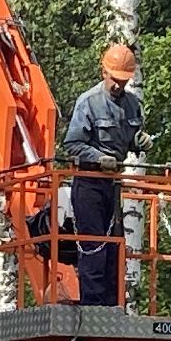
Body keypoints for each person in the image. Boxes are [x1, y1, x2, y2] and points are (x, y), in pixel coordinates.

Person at [63, 43, 148, 305]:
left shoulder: (133, 104)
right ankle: (93, 307)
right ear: (104, 73)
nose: (118, 85)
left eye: (124, 80)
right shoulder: (88, 102)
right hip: (88, 184)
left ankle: (112, 305)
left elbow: (130, 138)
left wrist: (140, 141)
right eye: (115, 79)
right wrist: (99, 159)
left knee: (114, 247)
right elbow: (72, 144)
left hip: (112, 187)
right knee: (94, 246)